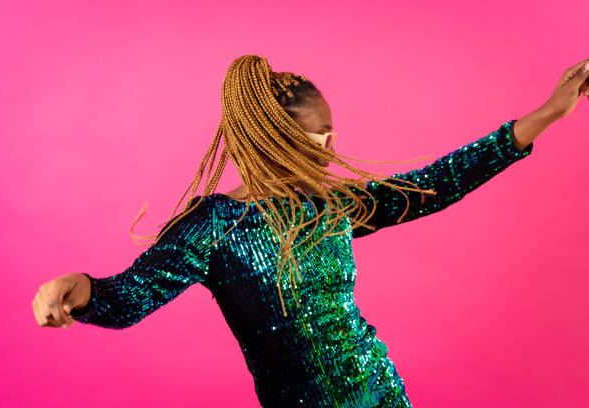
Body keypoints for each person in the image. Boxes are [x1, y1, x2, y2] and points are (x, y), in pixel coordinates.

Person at [32, 55, 589, 407]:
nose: (332, 146)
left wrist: (543, 116)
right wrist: (76, 286)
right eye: (321, 134)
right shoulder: (212, 227)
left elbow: (434, 184)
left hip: (381, 393)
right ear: (274, 136)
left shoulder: (330, 207)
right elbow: (128, 298)